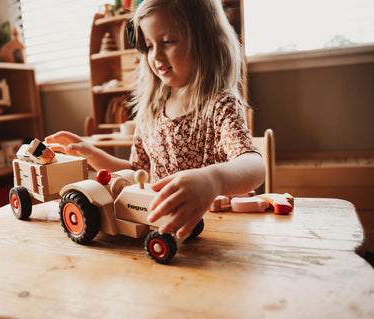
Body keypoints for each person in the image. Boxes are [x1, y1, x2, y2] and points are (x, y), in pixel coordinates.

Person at [46, 0, 265, 239]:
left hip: (216, 232)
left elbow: (255, 166)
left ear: (205, 40)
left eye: (168, 41)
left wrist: (213, 180)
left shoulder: (220, 105)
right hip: (164, 231)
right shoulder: (152, 109)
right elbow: (136, 173)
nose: (156, 55)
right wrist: (91, 154)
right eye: (149, 46)